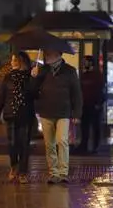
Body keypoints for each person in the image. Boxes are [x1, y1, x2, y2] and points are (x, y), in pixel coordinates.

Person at [31, 50, 82, 184]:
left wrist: (76, 113)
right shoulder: (42, 70)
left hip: (63, 112)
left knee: (62, 141)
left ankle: (63, 172)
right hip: (46, 111)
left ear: (58, 55)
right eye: (46, 55)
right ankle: (53, 173)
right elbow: (32, 91)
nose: (46, 57)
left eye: (49, 54)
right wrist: (34, 77)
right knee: (49, 144)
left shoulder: (70, 71)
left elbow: (76, 93)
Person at [0, 52, 34, 184]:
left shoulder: (29, 77)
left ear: (21, 61)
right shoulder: (7, 77)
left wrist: (33, 78)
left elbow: (34, 94)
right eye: (12, 60)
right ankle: (14, 167)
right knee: (12, 144)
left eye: (14, 60)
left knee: (24, 144)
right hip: (10, 114)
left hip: (25, 115)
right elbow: (1, 95)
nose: (12, 62)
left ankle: (23, 172)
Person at [78, 56, 104, 154]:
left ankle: (95, 147)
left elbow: (100, 91)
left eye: (85, 62)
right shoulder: (84, 75)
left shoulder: (97, 75)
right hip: (85, 105)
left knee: (95, 126)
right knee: (84, 126)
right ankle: (84, 145)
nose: (84, 64)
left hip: (94, 105)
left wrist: (98, 103)